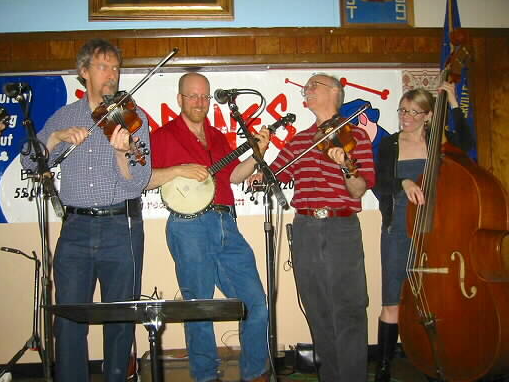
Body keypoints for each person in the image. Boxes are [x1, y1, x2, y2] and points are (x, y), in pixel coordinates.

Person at [21, 38, 151, 382]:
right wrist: (56, 138)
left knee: (120, 320)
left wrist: (121, 152)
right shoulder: (63, 116)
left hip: (121, 228)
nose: (112, 74)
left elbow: (136, 183)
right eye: (103, 66)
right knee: (67, 320)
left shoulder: (133, 117)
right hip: (75, 229)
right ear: (83, 72)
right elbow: (30, 162)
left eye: (116, 67)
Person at [147, 72, 270, 382]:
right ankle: (205, 376)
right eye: (193, 96)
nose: (200, 102)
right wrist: (178, 170)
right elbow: (141, 179)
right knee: (198, 307)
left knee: (255, 302)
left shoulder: (217, 135)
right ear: (180, 99)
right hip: (188, 228)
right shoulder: (162, 136)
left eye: (205, 96)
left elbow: (234, 176)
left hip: (227, 222)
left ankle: (255, 373)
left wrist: (259, 154)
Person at [268, 73, 376, 382]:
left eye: (314, 85)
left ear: (335, 93)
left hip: (341, 227)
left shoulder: (355, 135)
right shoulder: (300, 139)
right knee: (317, 308)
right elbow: (275, 172)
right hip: (304, 227)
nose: (307, 89)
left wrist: (345, 165)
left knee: (349, 308)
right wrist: (261, 166)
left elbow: (358, 190)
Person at [373, 82, 473, 382]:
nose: (406, 117)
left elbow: (467, 144)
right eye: (403, 110)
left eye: (414, 112)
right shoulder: (389, 144)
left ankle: (433, 363)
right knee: (392, 298)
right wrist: (403, 182)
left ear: (429, 116)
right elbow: (378, 183)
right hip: (398, 227)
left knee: (432, 297)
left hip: (436, 228)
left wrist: (453, 100)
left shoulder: (439, 142)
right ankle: (383, 368)